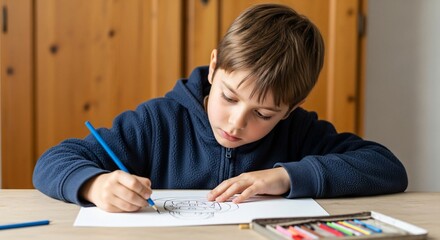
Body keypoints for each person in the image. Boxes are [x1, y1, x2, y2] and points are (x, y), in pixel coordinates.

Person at [33, 3, 408, 213]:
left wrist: (286, 177)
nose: (236, 121)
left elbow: (386, 167)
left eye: (263, 114)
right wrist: (95, 185)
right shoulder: (157, 122)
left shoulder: (300, 134)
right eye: (229, 97)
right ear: (214, 67)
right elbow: (54, 161)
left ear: (290, 109)